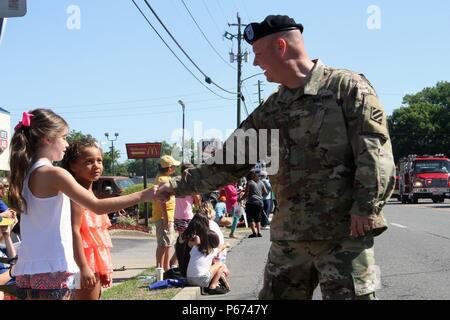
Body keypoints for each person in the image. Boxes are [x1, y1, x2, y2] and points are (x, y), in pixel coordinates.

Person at [157, 15, 395, 300]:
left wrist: (367, 207)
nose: (256, 63)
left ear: (281, 46)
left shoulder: (347, 88)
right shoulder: (271, 109)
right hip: (290, 237)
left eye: (258, 54)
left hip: (343, 234)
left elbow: (375, 152)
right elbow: (228, 162)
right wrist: (175, 186)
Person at [8, 109, 157, 300]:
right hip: (53, 267)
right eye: (64, 137)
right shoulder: (54, 174)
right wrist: (143, 195)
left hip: (30, 266)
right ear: (47, 138)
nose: (66, 144)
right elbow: (96, 205)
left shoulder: (26, 172)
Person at [61, 138, 113, 300]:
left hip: (95, 263)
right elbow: (75, 232)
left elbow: (97, 240)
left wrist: (103, 268)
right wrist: (84, 267)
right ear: (73, 166)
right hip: (82, 263)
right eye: (89, 162)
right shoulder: (76, 195)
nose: (96, 165)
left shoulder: (89, 194)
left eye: (99, 160)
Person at [151, 155, 180, 271]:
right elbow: (162, 201)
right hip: (164, 217)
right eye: (174, 166)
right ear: (169, 168)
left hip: (168, 216)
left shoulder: (164, 178)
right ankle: (160, 268)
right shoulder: (162, 180)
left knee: (168, 244)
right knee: (163, 244)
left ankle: (166, 268)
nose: (175, 168)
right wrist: (166, 219)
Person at [186, 230, 229, 295]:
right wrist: (226, 245)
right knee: (221, 265)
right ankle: (213, 287)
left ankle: (211, 282)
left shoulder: (195, 248)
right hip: (200, 279)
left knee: (209, 266)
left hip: (189, 279)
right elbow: (221, 247)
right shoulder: (211, 251)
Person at [242, 170, 267, 238]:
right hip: (259, 203)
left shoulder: (249, 183)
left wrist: (240, 199)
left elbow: (246, 194)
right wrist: (260, 196)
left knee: (250, 218)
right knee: (257, 218)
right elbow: (266, 192)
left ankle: (254, 233)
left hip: (251, 202)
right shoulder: (259, 183)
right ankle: (259, 232)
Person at [0, 217, 17, 300]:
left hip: (16, 284)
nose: (4, 228)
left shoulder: (2, 248)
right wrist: (13, 271)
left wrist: (7, 236)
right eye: (2, 226)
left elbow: (13, 259)